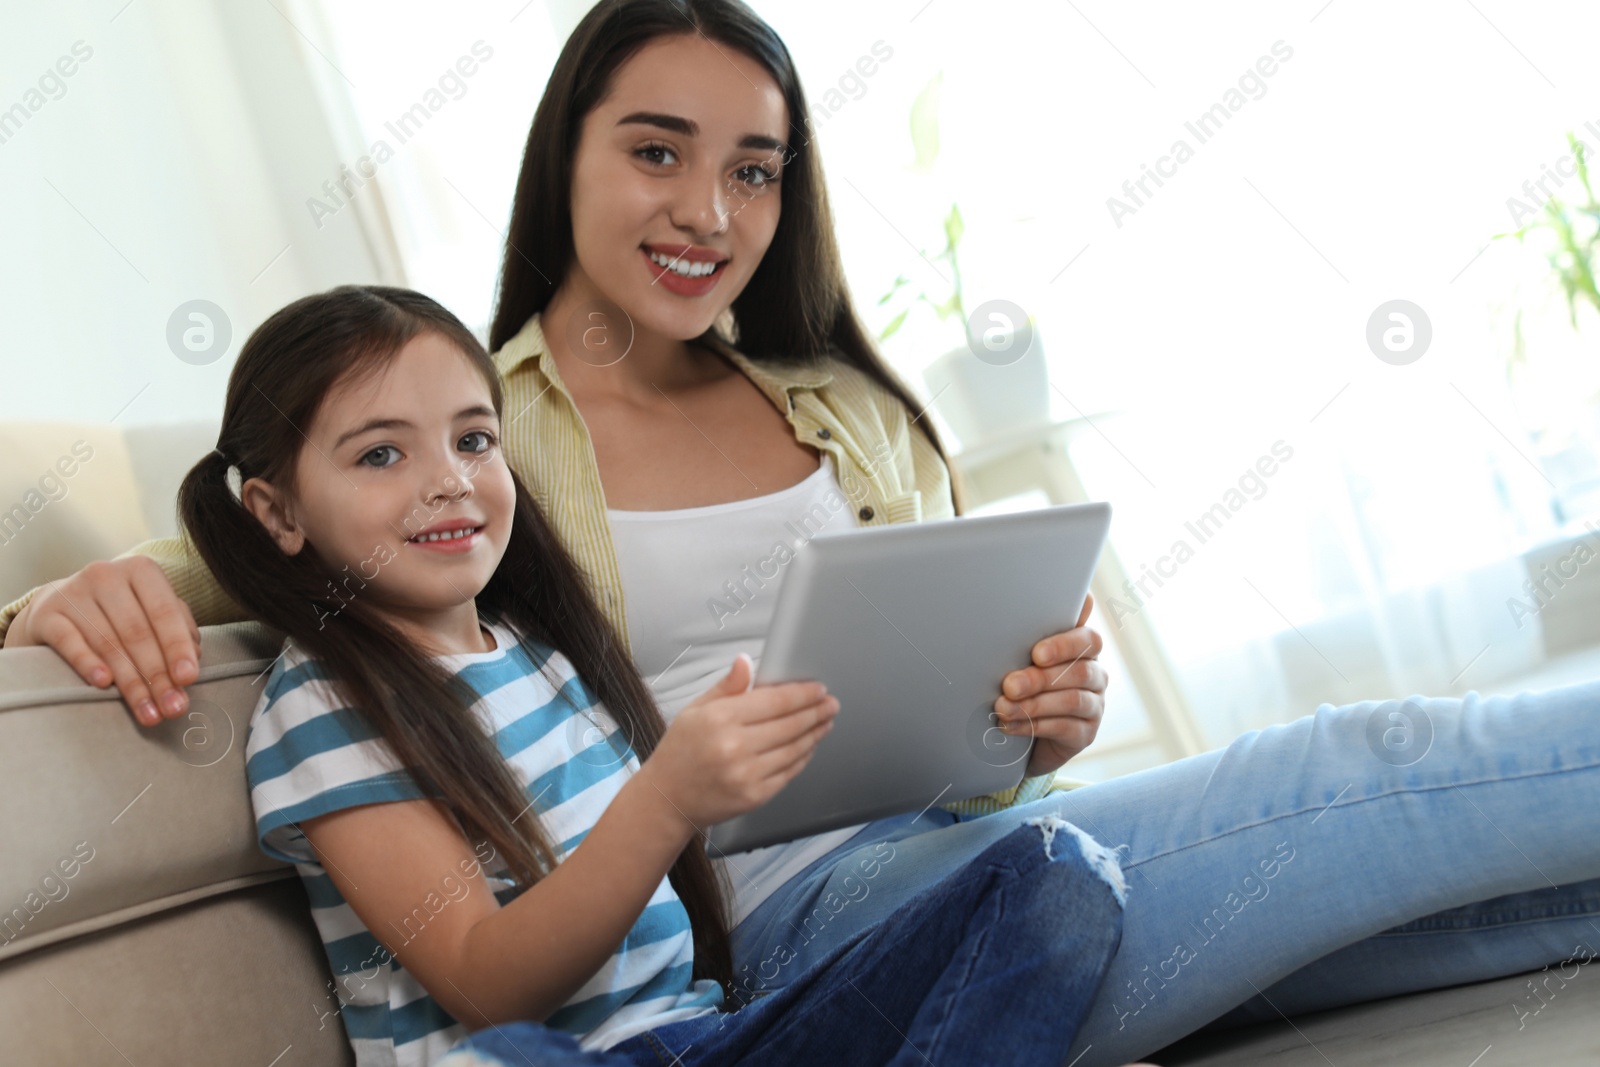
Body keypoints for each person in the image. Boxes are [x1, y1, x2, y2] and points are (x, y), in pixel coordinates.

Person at [3, 1, 1596, 1063]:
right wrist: (66, 589)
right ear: (565, 156)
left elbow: (971, 745)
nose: (709, 211)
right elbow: (221, 547)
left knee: (1444, 916)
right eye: (656, 152)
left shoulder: (847, 405)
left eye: (752, 171)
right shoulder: (460, 431)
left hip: (945, 847)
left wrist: (1041, 724)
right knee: (1358, 758)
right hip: (762, 931)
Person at [184, 283, 1130, 1066]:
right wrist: (666, 799)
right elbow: (486, 984)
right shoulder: (320, 706)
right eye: (382, 453)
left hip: (704, 1040)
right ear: (277, 513)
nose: (450, 479)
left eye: (473, 439)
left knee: (1058, 873)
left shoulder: (539, 652)